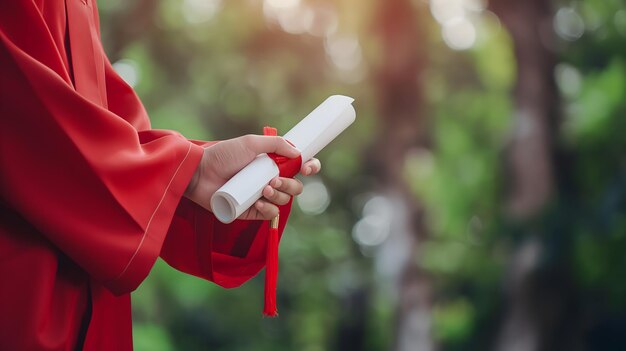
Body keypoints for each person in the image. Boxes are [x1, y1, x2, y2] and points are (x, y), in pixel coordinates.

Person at [0, 1, 321, 350]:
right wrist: (187, 172)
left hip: (88, 304)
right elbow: (22, 109)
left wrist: (201, 175)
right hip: (22, 292)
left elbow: (115, 130)